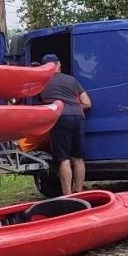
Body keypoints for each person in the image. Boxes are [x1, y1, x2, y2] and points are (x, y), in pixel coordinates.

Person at [39, 53, 92, 194]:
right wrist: (74, 108)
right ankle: (78, 191)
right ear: (58, 65)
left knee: (63, 158)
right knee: (78, 158)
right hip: (78, 117)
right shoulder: (72, 80)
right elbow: (87, 103)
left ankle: (67, 194)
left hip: (60, 118)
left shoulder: (42, 83)